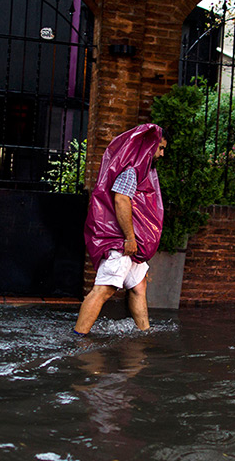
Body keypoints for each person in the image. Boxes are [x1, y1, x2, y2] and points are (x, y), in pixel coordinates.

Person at [74, 124, 168, 335]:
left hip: (129, 243)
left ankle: (144, 334)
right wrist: (129, 238)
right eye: (160, 148)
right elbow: (121, 200)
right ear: (149, 146)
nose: (162, 154)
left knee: (138, 287)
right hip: (122, 242)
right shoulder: (131, 171)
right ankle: (77, 338)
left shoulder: (140, 170)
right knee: (103, 290)